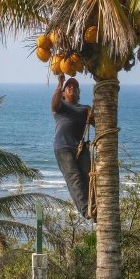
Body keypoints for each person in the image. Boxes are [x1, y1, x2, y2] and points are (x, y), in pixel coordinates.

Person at [52, 75, 95, 219]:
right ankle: (85, 210)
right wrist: (60, 84)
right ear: (63, 93)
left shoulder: (85, 108)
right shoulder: (60, 106)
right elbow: (54, 103)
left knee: (89, 176)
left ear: (79, 93)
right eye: (68, 87)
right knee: (74, 178)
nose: (72, 87)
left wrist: (92, 119)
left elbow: (98, 123)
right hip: (63, 147)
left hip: (80, 147)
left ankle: (94, 207)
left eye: (75, 87)